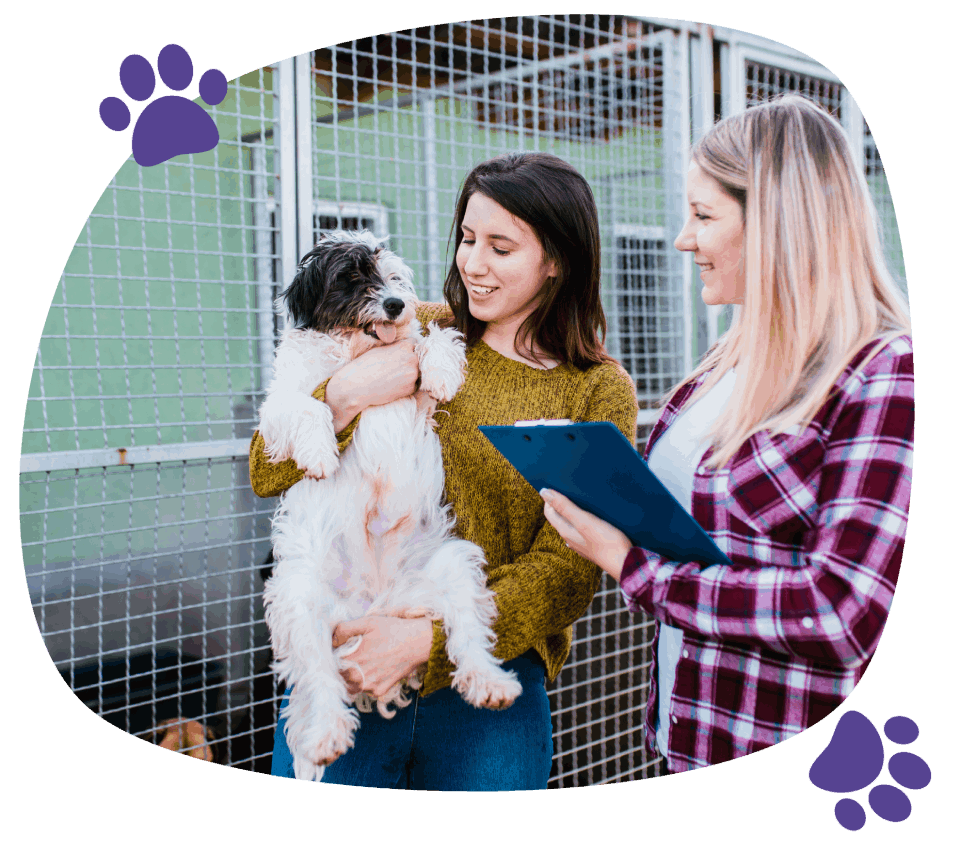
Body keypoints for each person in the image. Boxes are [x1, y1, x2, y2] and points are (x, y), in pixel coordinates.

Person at [541, 93, 913, 775]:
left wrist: (632, 566)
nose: (684, 239)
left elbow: (841, 612)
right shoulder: (725, 363)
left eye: (704, 215)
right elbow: (699, 527)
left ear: (777, 224)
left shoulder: (884, 373)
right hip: (690, 734)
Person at [249, 151, 639, 790]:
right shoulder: (410, 325)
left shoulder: (596, 390)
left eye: (501, 247)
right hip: (349, 650)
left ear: (558, 260)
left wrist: (419, 642)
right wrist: (343, 396)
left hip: (481, 674)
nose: (472, 263)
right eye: (466, 237)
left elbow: (567, 573)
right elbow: (267, 470)